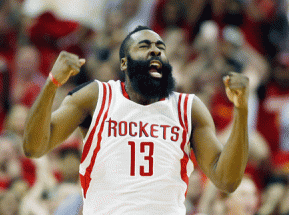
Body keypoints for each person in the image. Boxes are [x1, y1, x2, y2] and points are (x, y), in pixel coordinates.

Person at [23, 26, 249, 214]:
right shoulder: (96, 97)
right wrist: (52, 83)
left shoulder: (188, 108)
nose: (155, 51)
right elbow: (34, 146)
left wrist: (241, 109)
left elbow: (226, 180)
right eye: (144, 46)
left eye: (161, 48)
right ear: (124, 63)